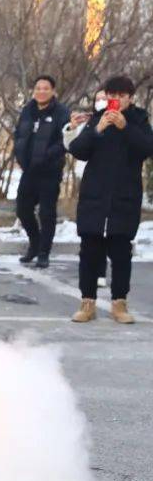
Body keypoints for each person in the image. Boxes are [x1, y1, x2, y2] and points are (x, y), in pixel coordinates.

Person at [67, 75, 153, 324]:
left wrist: (126, 127)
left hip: (124, 197)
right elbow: (79, 151)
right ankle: (87, 302)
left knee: (121, 251)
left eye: (121, 96)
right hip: (95, 196)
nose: (115, 100)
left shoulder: (139, 120)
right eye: (111, 95)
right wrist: (97, 129)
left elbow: (147, 148)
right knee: (89, 250)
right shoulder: (97, 118)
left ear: (130, 98)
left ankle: (119, 303)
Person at [13, 75, 69, 268]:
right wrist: (19, 156)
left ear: (53, 91)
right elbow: (19, 134)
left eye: (46, 88)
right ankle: (35, 244)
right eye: (38, 88)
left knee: (46, 213)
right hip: (29, 170)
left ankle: (44, 251)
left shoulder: (61, 113)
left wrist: (48, 155)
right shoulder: (28, 110)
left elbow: (66, 141)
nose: (41, 91)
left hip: (49, 171)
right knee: (22, 209)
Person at [64, 89, 109, 289]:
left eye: (104, 98)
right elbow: (72, 147)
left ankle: (101, 271)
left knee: (104, 230)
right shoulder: (90, 122)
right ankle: (91, 273)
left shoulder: (119, 122)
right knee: (90, 229)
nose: (100, 102)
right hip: (88, 180)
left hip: (110, 182)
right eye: (97, 99)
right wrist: (72, 128)